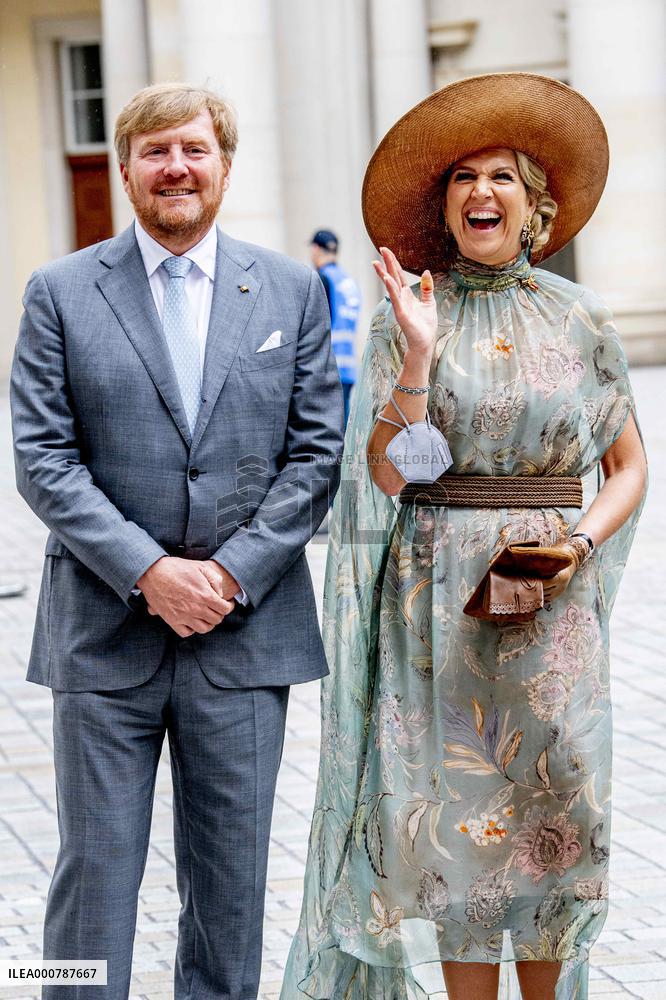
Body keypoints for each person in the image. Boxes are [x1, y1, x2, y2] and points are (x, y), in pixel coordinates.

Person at [282, 73, 647, 1000]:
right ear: (444, 205)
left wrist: (578, 549)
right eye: (461, 179)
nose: (479, 193)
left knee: (556, 832)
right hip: (435, 610)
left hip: (552, 616)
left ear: (534, 204)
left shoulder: (583, 318)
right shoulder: (413, 312)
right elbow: (388, 474)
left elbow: (630, 468)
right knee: (456, 849)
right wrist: (413, 350)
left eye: (501, 177)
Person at [10, 83, 343, 1000]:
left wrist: (228, 577)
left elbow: (317, 457)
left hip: (244, 637)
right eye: (155, 151)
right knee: (91, 878)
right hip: (102, 634)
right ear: (125, 170)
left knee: (232, 889)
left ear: (225, 166)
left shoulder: (290, 289)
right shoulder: (59, 292)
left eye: (195, 149)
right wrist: (148, 571)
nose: (176, 167)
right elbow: (42, 460)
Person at [310, 229, 362, 427]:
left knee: (331, 432)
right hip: (348, 367)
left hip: (329, 367)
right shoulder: (347, 282)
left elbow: (317, 325)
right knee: (344, 427)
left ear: (316, 249)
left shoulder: (322, 279)